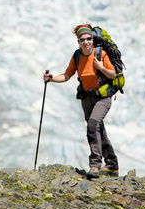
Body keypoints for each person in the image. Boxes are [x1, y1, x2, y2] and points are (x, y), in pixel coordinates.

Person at [43, 24, 119, 178]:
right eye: (82, 39)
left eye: (89, 38)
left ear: (93, 39)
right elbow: (67, 75)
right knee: (98, 129)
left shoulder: (101, 54)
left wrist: (101, 67)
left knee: (92, 126)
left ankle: (95, 165)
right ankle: (112, 165)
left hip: (103, 97)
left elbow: (112, 74)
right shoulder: (77, 56)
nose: (86, 42)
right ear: (78, 42)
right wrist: (51, 79)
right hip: (87, 97)